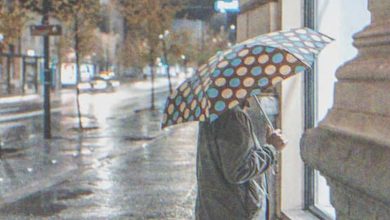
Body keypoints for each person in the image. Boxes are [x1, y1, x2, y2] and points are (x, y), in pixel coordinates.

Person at [195, 98, 287, 220]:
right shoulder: (233, 116)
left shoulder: (213, 110)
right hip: (232, 211)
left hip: (211, 208)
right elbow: (239, 170)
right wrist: (272, 149)